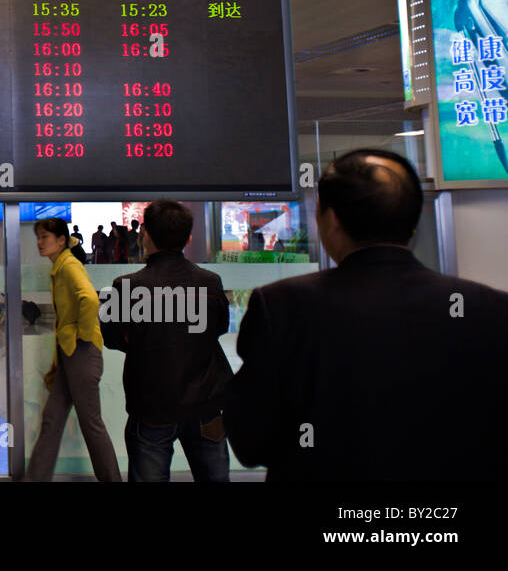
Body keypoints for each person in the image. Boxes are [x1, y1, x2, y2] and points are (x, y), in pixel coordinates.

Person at [225, 149, 508, 480]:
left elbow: (251, 441)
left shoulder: (282, 306)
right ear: (413, 222)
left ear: (330, 221)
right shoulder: (492, 310)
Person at [102, 200, 232, 482]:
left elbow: (111, 338)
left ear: (145, 234)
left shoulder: (126, 287)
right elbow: (218, 328)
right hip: (205, 406)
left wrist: (145, 342)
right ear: (189, 238)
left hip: (151, 407)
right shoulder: (211, 282)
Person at [26, 217, 121, 482]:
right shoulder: (60, 266)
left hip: (81, 355)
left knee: (91, 425)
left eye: (45, 237)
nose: (40, 242)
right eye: (39, 236)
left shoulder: (68, 265)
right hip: (71, 356)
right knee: (52, 420)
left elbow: (89, 298)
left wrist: (81, 337)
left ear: (61, 241)